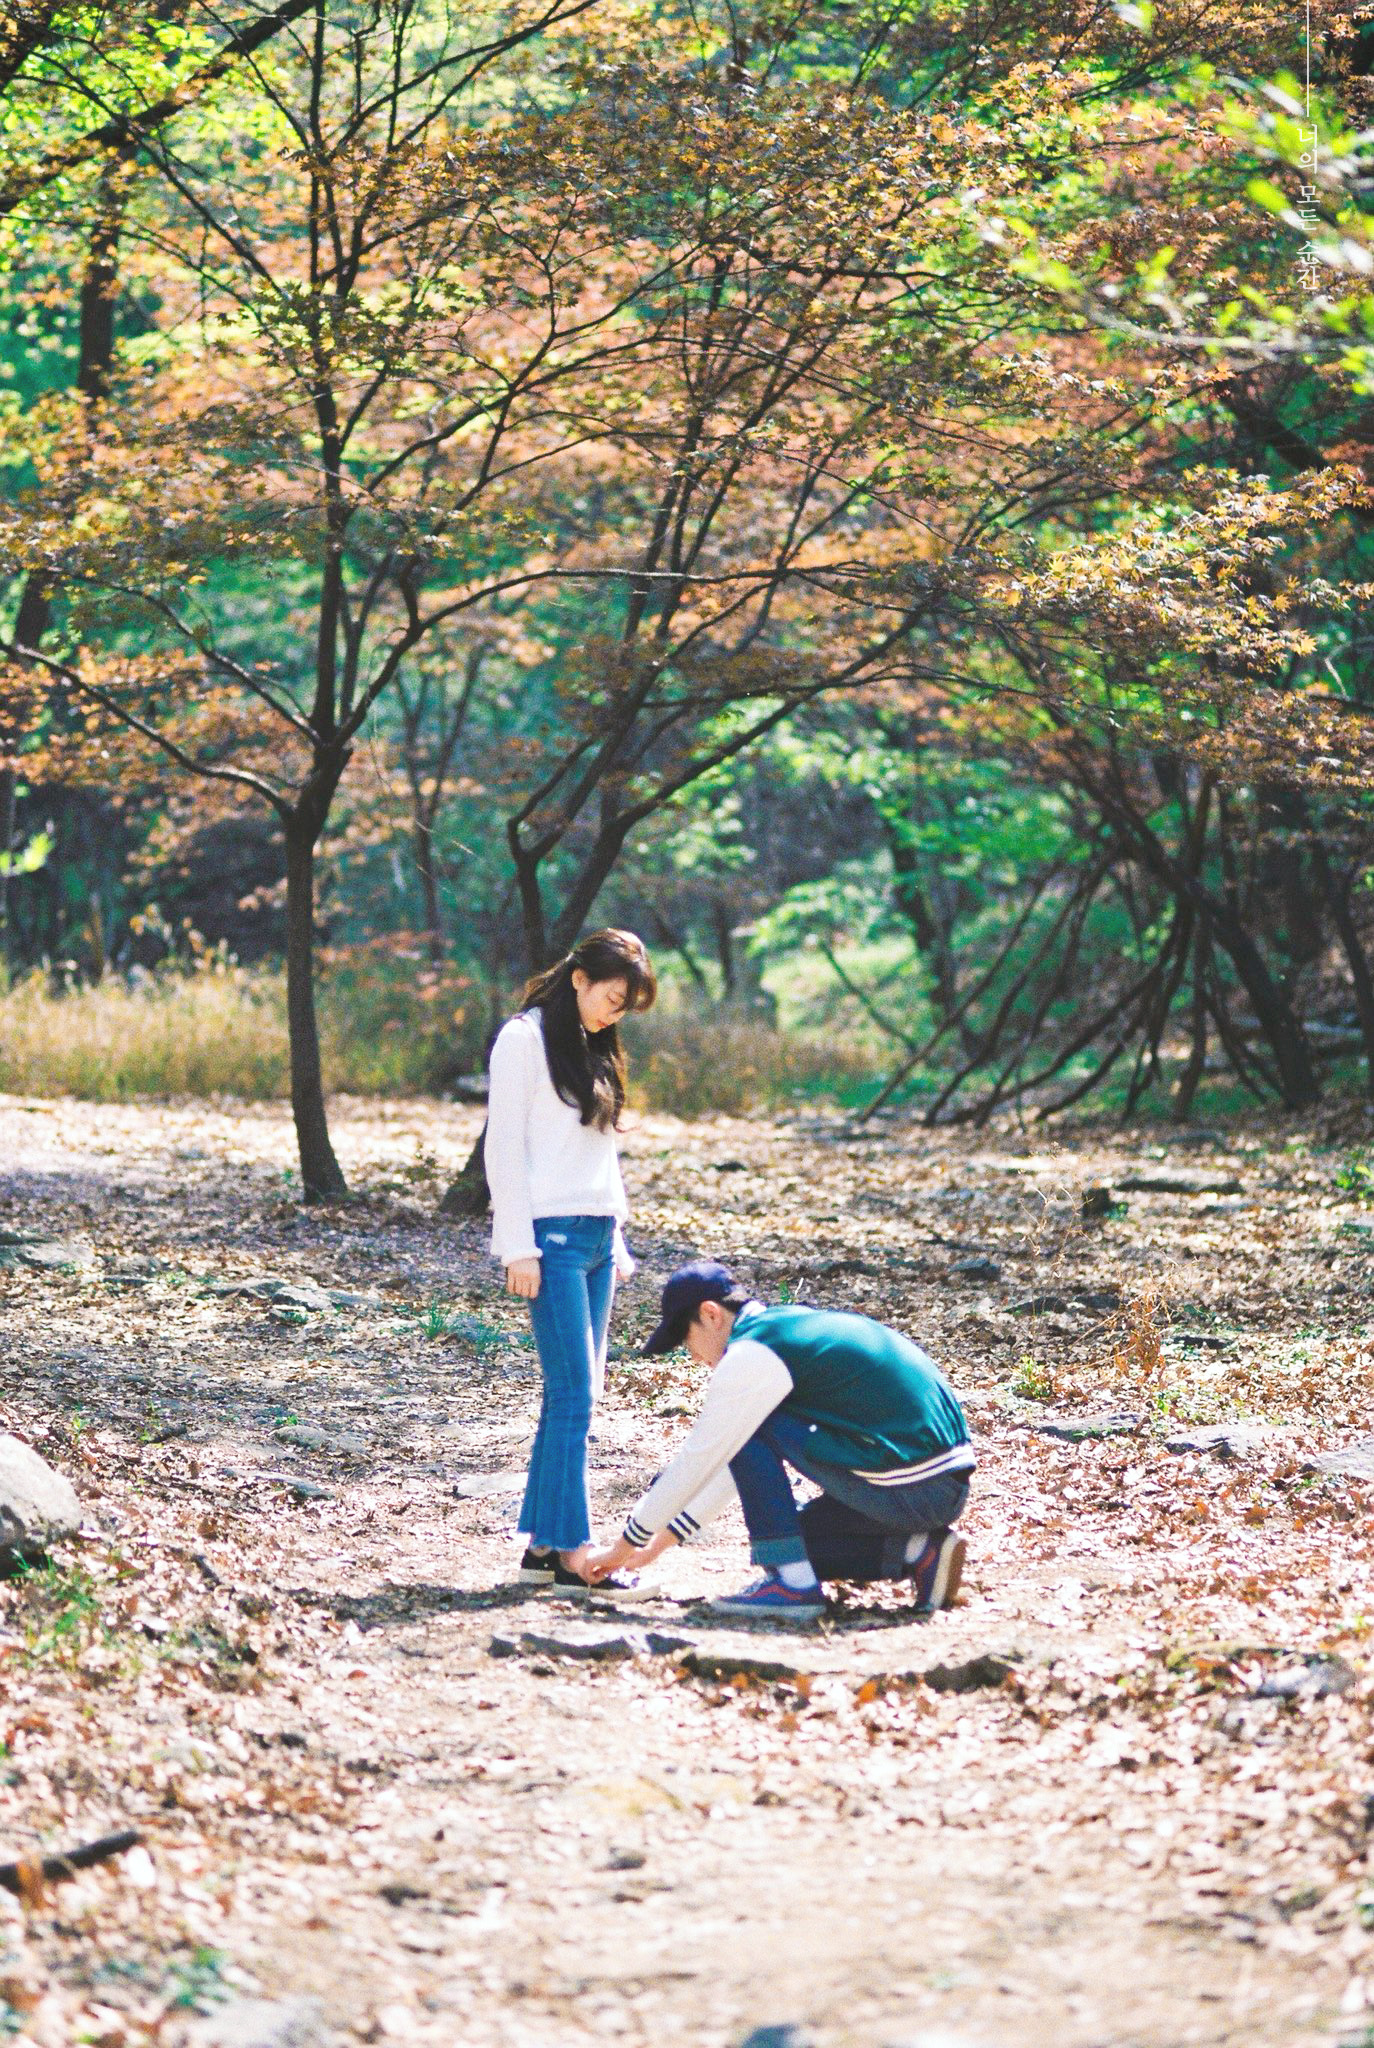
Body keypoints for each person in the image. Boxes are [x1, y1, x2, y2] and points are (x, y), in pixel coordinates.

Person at [584, 1261, 974, 1619]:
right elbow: (733, 1468)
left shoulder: (753, 1352)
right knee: (791, 1540)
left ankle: (792, 1586)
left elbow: (700, 1460)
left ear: (710, 1314)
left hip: (914, 1485)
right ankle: (920, 1551)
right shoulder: (785, 1327)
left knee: (775, 1523)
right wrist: (661, 1542)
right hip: (936, 1486)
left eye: (686, 1340)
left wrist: (625, 1546)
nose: (694, 1356)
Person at [484, 929, 656, 1592]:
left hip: (593, 1235)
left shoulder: (595, 1045)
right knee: (572, 1395)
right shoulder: (523, 1040)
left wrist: (615, 1238)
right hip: (548, 1241)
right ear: (580, 977)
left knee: (580, 1395)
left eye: (626, 1007)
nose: (615, 1013)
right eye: (612, 998)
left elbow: (598, 1152)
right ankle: (573, 1553)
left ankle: (543, 1551)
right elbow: (503, 1149)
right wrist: (517, 1244)